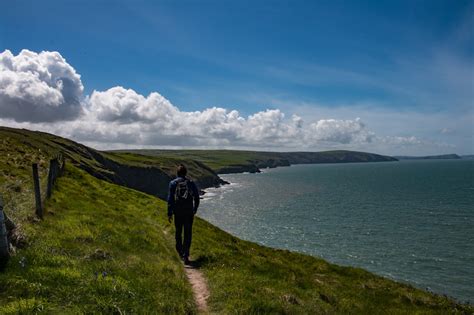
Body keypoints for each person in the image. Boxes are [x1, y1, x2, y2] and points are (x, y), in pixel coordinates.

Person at [167, 164, 200, 265]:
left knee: (178, 232)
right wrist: (194, 209)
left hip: (178, 212)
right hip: (188, 212)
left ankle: (180, 253)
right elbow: (197, 197)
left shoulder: (173, 183)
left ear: (177, 173)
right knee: (187, 233)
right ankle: (186, 255)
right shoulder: (190, 183)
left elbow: (170, 199)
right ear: (185, 173)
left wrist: (169, 213)